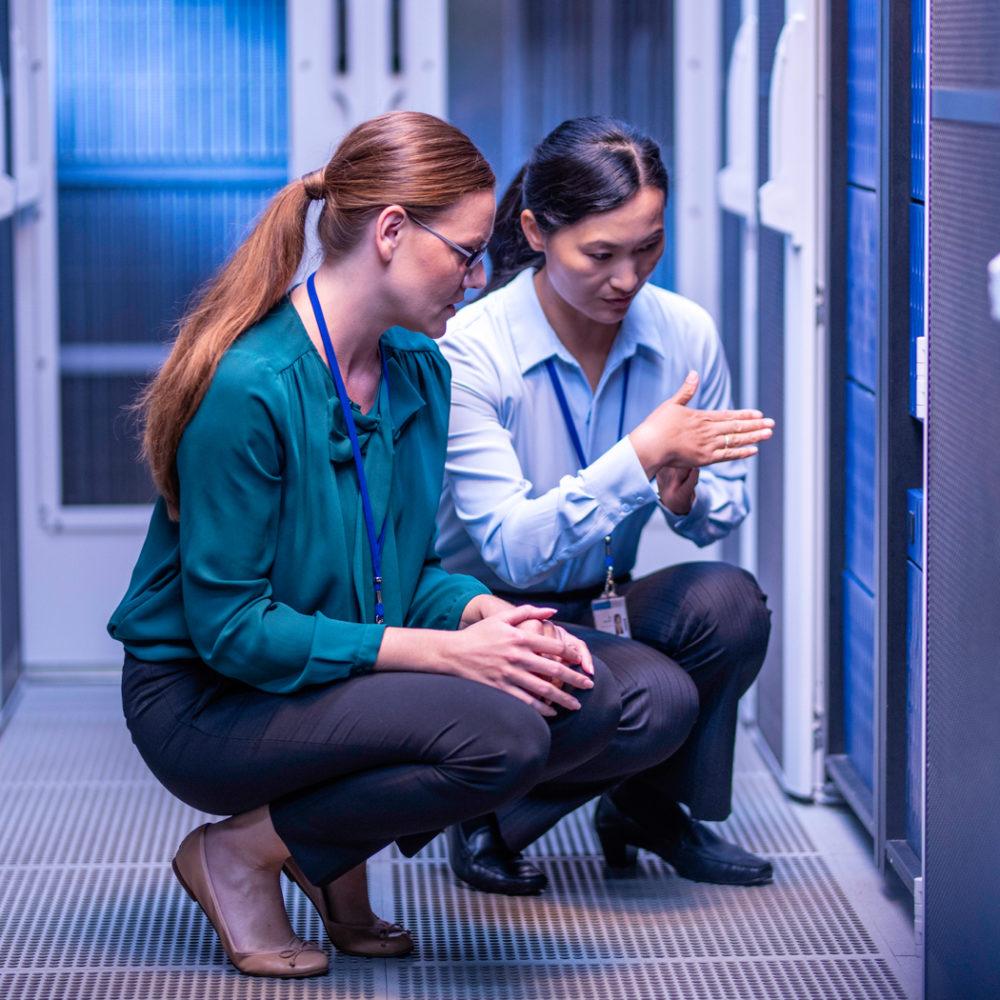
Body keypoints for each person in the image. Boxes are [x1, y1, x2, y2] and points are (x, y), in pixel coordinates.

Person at [108, 111, 695, 980]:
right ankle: (240, 854)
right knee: (501, 733)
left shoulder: (417, 368)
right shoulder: (250, 385)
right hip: (208, 698)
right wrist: (451, 654)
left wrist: (482, 609)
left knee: (587, 695)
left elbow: (402, 570)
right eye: (465, 252)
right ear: (391, 231)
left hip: (333, 666)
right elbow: (232, 630)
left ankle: (323, 851)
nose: (480, 276)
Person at [436, 116, 776, 895]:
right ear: (534, 230)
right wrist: (641, 456)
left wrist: (686, 498)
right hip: (489, 613)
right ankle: (486, 808)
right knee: (656, 695)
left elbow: (728, 503)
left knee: (731, 605)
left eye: (648, 247)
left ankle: (644, 809)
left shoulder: (684, 333)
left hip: (600, 602)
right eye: (600, 254)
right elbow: (513, 550)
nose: (629, 278)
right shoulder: (472, 347)